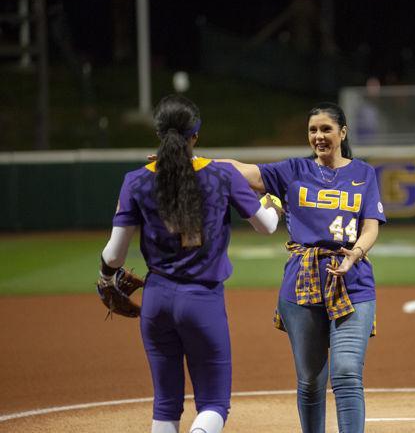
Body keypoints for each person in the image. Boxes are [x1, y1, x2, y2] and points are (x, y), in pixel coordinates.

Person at [98, 94, 281, 433]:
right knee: (213, 404)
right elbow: (267, 226)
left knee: (165, 405)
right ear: (195, 135)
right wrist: (273, 203)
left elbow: (114, 255)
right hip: (202, 300)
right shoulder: (221, 174)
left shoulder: (136, 180)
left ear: (158, 134)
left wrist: (106, 277)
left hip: (156, 300)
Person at [221, 102, 386, 433]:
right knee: (310, 381)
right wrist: (191, 161)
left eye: (326, 129)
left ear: (342, 132)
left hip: (353, 282)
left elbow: (370, 226)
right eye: (313, 130)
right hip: (302, 283)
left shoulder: (363, 174)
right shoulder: (292, 170)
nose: (319, 136)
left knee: (347, 373)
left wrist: (355, 253)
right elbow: (242, 170)